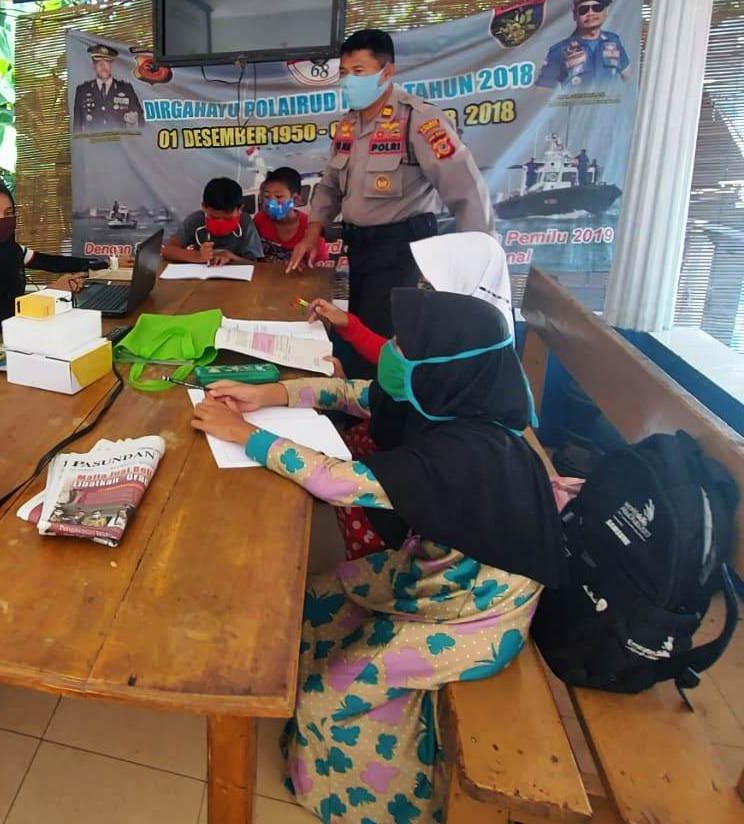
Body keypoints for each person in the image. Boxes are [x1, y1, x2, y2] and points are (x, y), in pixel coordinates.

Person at [191, 288, 564, 823]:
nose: (389, 349)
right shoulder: (447, 399)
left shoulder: (469, 456)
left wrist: (245, 436)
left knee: (324, 700)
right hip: (434, 575)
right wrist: (270, 393)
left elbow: (342, 483)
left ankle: (373, 800)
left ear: (442, 370)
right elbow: (352, 393)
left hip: (476, 613)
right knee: (309, 607)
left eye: (402, 344)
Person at [287, 29, 492, 379]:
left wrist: (474, 264)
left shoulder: (420, 120)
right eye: (344, 73)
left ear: (387, 73)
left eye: (360, 72)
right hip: (363, 253)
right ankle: (358, 418)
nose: (349, 81)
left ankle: (382, 425)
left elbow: (467, 192)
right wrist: (312, 232)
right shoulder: (349, 125)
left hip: (403, 254)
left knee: (390, 348)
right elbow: (329, 187)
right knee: (356, 336)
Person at [306, 232, 515, 561]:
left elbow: (414, 444)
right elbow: (399, 363)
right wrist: (348, 326)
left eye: (431, 287)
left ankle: (375, 567)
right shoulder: (460, 337)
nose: (423, 297)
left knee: (338, 468)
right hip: (402, 447)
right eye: (422, 285)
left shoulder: (473, 370)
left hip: (421, 502)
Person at [308, 232, 515, 368]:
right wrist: (347, 323)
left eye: (435, 285)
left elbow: (407, 379)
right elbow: (396, 359)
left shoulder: (473, 357)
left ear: (463, 283)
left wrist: (343, 388)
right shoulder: (463, 327)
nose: (426, 291)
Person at [0, 180, 108, 336]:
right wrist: (51, 291)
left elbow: (54, 263)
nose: (2, 219)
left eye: (9, 213)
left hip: (26, 333)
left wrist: (106, 263)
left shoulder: (11, 250)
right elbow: (4, 319)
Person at [162, 177, 264, 265]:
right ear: (204, 207)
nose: (221, 223)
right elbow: (168, 250)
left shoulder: (245, 223)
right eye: (214, 218)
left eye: (228, 219)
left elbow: (257, 264)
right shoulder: (196, 220)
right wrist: (198, 256)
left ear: (240, 209)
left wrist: (230, 257)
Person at [536, 0, 632, 90]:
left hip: (610, 106)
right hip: (573, 106)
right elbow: (542, 91)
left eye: (597, 8)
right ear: (575, 15)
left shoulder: (614, 41)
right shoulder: (559, 50)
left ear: (606, 12)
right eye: (583, 10)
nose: (590, 13)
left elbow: (629, 79)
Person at [254, 167, 324, 264]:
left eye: (278, 196)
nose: (270, 202)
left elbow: (320, 266)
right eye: (267, 196)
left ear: (295, 199)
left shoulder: (310, 228)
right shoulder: (260, 219)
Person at [72, 43, 145, 133]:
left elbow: (141, 121)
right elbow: (77, 127)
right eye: (99, 63)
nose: (103, 66)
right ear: (94, 66)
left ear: (111, 64)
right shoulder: (82, 90)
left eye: (106, 62)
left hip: (121, 145)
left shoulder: (126, 89)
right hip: (93, 145)